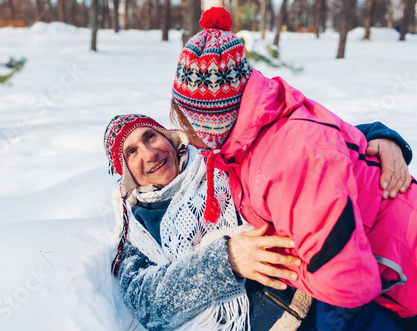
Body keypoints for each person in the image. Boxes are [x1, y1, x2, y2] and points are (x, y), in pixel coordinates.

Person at [170, 6, 417, 320]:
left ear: (213, 125)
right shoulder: (254, 129)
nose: (187, 139)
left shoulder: (287, 159)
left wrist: (276, 258)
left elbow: (348, 283)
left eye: (189, 126)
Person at [104, 114, 410, 331]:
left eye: (150, 136)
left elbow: (303, 144)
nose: (150, 152)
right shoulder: (138, 231)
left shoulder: (217, 159)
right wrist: (226, 260)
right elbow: (148, 303)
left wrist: (377, 137)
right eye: (132, 152)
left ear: (168, 136)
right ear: (125, 171)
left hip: (333, 300)